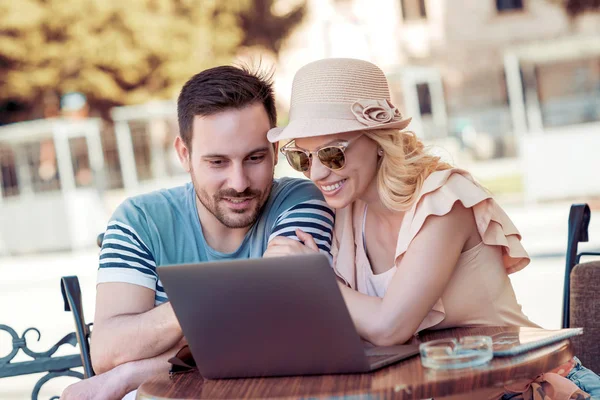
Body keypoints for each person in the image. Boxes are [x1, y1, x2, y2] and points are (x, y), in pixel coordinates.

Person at [265, 58, 599, 399]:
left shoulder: (443, 201)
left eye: (332, 154)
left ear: (378, 141)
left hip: (531, 388)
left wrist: (315, 278)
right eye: (302, 158)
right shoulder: (345, 214)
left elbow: (388, 327)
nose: (317, 173)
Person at [61, 65, 334, 400]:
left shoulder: (300, 201)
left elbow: (282, 336)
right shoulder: (140, 220)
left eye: (255, 158)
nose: (239, 182)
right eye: (217, 162)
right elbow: (108, 353)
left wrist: (135, 371)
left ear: (276, 151)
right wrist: (205, 303)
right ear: (184, 154)